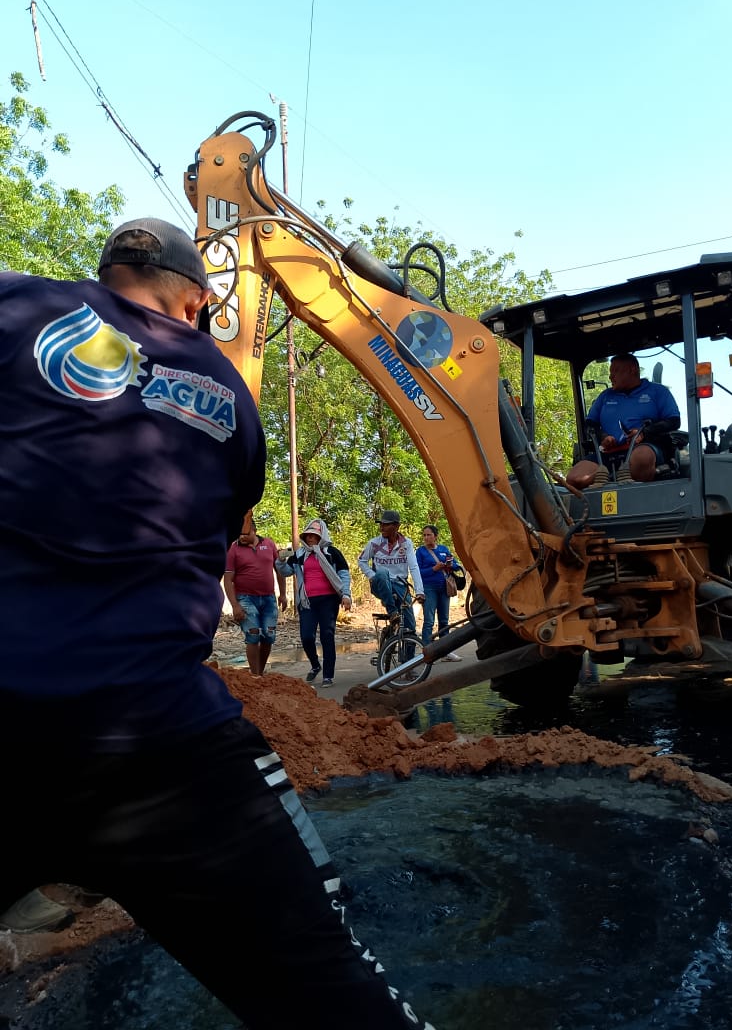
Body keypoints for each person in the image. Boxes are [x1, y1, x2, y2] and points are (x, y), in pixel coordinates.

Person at [0, 218, 436, 1029]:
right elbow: (219, 518)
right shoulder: (227, 391)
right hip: (159, 741)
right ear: (199, 301)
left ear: (105, 274)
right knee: (330, 985)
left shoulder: (19, 304)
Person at [566, 353, 681, 489]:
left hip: (642, 448)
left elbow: (673, 421)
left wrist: (644, 432)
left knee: (642, 459)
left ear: (632, 370)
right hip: (608, 455)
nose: (610, 377)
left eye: (615, 371)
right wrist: (603, 436)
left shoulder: (658, 391)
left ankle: (607, 478)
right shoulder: (605, 396)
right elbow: (591, 424)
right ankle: (609, 476)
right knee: (573, 478)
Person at [277, 517, 352, 688]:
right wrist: (280, 560)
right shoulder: (299, 555)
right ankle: (315, 665)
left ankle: (328, 675)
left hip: (329, 600)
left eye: (314, 536)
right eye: (308, 536)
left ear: (321, 536)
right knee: (306, 637)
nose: (310, 539)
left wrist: (346, 595)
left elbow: (344, 574)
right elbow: (286, 571)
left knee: (327, 635)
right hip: (307, 602)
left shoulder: (332, 553)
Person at [223, 514, 288, 676]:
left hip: (268, 598)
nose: (242, 537)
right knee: (253, 634)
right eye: (240, 534)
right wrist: (235, 605)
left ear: (254, 530)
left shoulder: (269, 544)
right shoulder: (233, 549)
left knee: (268, 635)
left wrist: (283, 594)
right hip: (245, 598)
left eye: (245, 533)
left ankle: (260, 671)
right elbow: (228, 579)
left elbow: (279, 570)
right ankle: (256, 675)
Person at [358, 509, 425, 638]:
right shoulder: (374, 543)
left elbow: (414, 567)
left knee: (410, 628)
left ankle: (408, 657)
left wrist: (419, 591)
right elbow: (362, 561)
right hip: (381, 584)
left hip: (400, 585)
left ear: (396, 526)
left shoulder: (406, 544)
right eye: (381, 524)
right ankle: (392, 611)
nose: (381, 527)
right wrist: (372, 576)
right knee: (382, 573)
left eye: (386, 524)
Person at [415, 524, 463, 660]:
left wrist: (450, 564)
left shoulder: (443, 549)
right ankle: (427, 651)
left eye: (428, 535)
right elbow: (417, 572)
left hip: (444, 587)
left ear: (435, 536)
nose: (426, 537)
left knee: (444, 619)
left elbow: (455, 565)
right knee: (429, 620)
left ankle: (446, 650)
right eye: (424, 535)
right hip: (429, 588)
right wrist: (433, 569)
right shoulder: (420, 552)